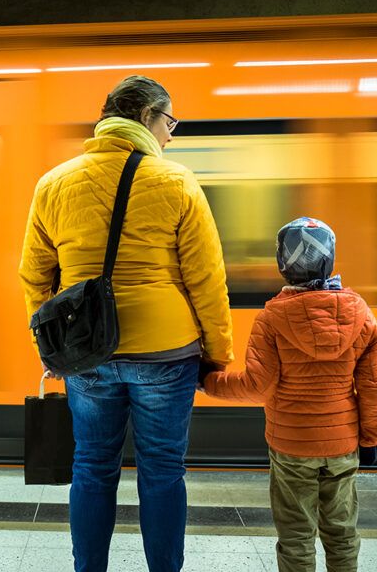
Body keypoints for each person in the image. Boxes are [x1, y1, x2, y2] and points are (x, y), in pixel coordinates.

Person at [19, 75, 234, 572]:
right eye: (169, 121)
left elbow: (34, 275)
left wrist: (54, 344)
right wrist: (217, 352)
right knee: (162, 471)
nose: (172, 135)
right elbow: (205, 277)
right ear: (145, 118)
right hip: (166, 353)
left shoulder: (53, 183)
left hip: (87, 353)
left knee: (92, 468)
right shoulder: (177, 181)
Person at [199, 217, 377, 572]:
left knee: (296, 535)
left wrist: (208, 381)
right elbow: (374, 386)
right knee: (342, 532)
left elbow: (257, 385)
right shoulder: (361, 314)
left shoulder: (272, 319)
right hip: (342, 443)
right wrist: (371, 438)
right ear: (329, 260)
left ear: (283, 265)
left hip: (291, 446)